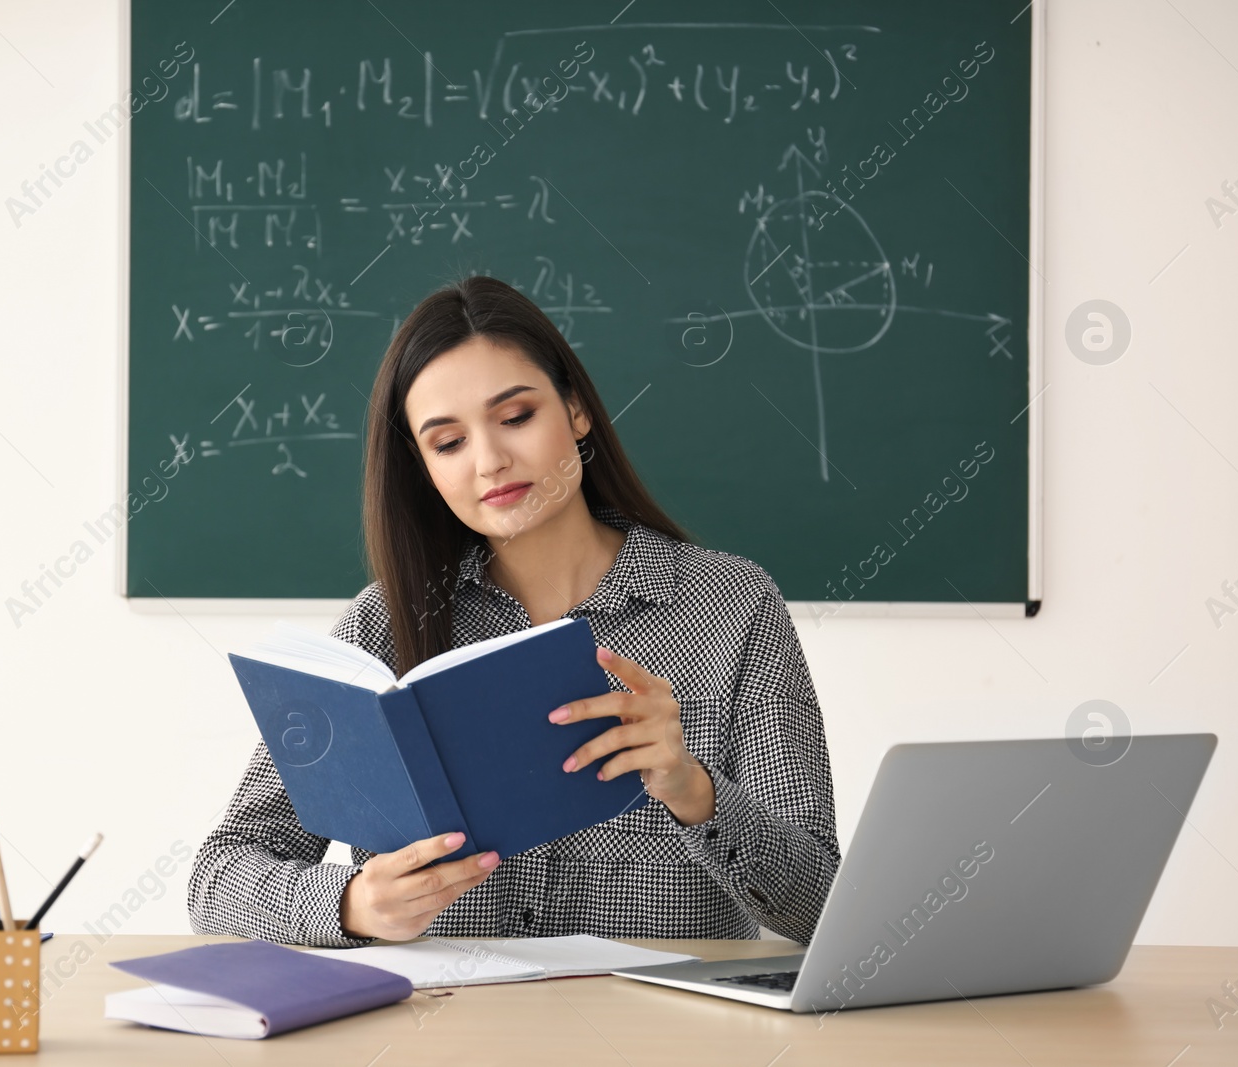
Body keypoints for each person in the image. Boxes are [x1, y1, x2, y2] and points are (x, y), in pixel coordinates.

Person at [188, 275, 839, 947]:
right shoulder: (383, 625)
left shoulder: (732, 606)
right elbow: (219, 877)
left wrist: (692, 789)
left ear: (577, 410)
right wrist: (350, 903)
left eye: (517, 416)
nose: (491, 461)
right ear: (424, 468)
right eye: (448, 443)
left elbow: (825, 907)